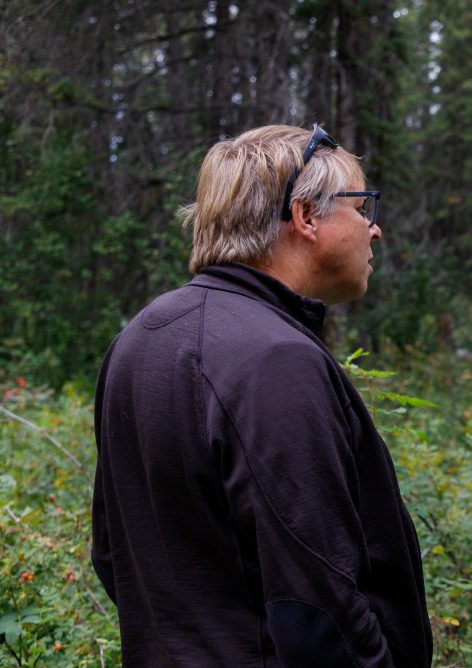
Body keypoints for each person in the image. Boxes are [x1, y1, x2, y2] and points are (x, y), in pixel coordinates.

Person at [91, 124, 432, 667]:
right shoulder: (275, 359)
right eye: (362, 206)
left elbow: (113, 557)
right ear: (306, 216)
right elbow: (319, 607)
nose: (375, 229)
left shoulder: (138, 340)